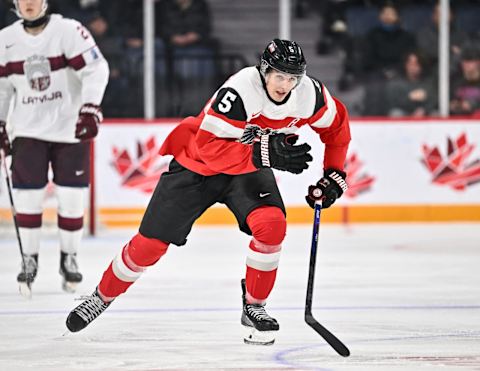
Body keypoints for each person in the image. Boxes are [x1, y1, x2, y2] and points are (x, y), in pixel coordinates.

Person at [65, 39, 351, 345]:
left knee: (272, 226)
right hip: (197, 166)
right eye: (279, 76)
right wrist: (264, 153)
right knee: (149, 247)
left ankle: (254, 306)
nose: (286, 85)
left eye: (293, 78)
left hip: (247, 169)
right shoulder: (239, 90)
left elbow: (337, 129)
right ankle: (102, 296)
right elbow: (209, 149)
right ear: (264, 71)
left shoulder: (310, 95)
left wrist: (334, 175)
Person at [0, 0, 109, 296]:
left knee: (72, 198)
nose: (29, 3)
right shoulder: (5, 40)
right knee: (28, 198)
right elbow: (2, 89)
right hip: (26, 130)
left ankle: (69, 257)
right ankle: (29, 258)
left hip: (69, 129)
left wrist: (89, 108)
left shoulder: (69, 30)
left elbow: (96, 68)